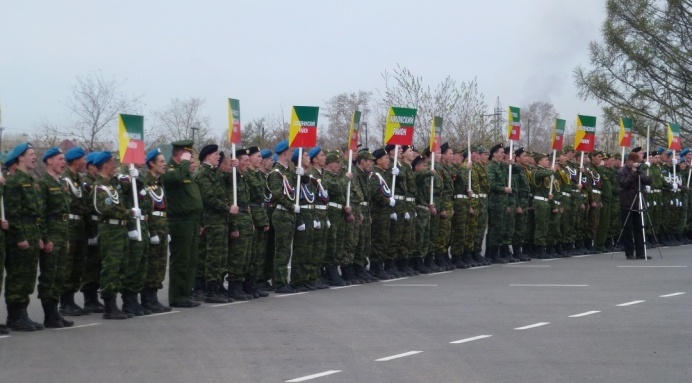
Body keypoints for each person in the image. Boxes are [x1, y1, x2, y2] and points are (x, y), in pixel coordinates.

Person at [91, 151, 138, 320]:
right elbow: (104, 208)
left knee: (121, 267)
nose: (115, 166)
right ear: (105, 165)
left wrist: (133, 175)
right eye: (113, 163)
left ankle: (115, 304)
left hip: (120, 230)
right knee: (111, 268)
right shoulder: (100, 186)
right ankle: (109, 306)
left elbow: (129, 188)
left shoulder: (113, 183)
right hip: (110, 231)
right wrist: (129, 212)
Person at [4, 143, 46, 331]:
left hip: (31, 230)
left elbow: (35, 212)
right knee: (18, 276)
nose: (34, 157)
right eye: (30, 154)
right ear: (20, 157)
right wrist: (20, 236)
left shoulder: (29, 180)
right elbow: (13, 212)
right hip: (20, 233)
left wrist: (37, 235)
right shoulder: (14, 181)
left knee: (29, 275)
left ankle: (22, 314)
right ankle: (15, 316)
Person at [162, 140, 203, 308]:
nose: (191, 158)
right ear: (180, 154)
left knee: (192, 260)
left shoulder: (184, 171)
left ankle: (186, 293)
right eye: (188, 154)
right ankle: (177, 296)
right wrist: (185, 163)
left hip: (192, 221)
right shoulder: (171, 169)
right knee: (181, 260)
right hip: (180, 222)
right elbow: (175, 178)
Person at [38, 147, 74, 328]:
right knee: (49, 275)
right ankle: (49, 315)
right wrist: (45, 238)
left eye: (64, 159)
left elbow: (64, 214)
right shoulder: (43, 183)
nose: (63, 162)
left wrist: (66, 238)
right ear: (49, 161)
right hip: (51, 233)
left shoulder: (61, 183)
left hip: (62, 232)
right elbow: (41, 213)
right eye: (59, 159)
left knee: (60, 275)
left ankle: (55, 312)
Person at [140, 148, 172, 313]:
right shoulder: (144, 182)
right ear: (151, 164)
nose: (164, 164)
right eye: (161, 162)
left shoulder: (159, 183)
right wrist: (151, 231)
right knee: (151, 264)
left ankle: (153, 297)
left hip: (162, 226)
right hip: (152, 227)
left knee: (160, 264)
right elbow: (146, 209)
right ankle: (146, 298)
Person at [266, 140, 300, 293]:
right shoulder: (276, 173)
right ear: (285, 153)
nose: (292, 154)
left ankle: (281, 280)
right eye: (290, 152)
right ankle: (279, 282)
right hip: (282, 213)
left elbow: (297, 186)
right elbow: (277, 194)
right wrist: (292, 206)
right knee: (281, 249)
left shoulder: (288, 171)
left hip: (289, 214)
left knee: (287, 249)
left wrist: (302, 174)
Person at [617, 152, 652, 259]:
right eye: (634, 162)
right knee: (627, 229)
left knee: (639, 228)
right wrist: (632, 173)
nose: (636, 164)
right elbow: (624, 184)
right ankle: (629, 253)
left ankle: (641, 252)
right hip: (627, 203)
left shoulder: (639, 170)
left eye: (637, 162)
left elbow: (648, 181)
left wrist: (640, 173)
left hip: (639, 203)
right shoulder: (622, 171)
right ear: (628, 161)